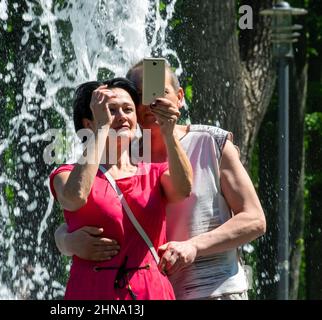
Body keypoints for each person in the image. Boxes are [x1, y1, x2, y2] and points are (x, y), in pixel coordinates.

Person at [54, 61, 266, 300]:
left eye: (160, 93)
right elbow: (88, 211)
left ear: (179, 97)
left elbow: (255, 219)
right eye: (142, 96)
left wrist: (194, 246)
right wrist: (66, 241)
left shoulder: (210, 141)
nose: (153, 104)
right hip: (155, 291)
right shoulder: (123, 152)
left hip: (215, 288)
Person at [49, 77, 193, 300]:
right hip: (92, 293)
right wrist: (102, 128)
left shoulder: (154, 172)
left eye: (128, 109)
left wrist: (168, 131)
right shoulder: (66, 173)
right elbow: (75, 198)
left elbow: (184, 189)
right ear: (89, 124)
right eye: (110, 110)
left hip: (151, 293)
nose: (122, 116)